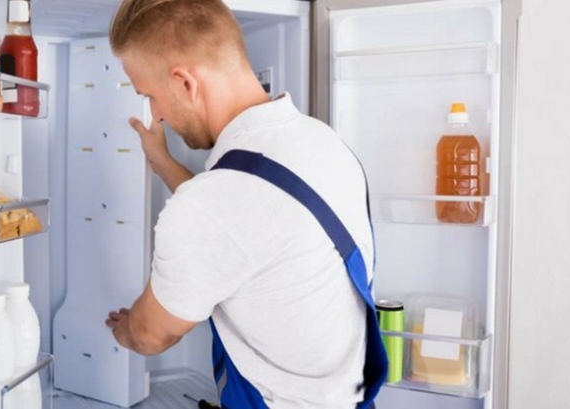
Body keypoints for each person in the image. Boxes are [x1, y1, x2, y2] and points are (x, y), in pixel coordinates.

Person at [104, 0, 387, 408]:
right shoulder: (323, 142)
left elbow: (151, 335)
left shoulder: (213, 206)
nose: (156, 115)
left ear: (184, 83)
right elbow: (240, 227)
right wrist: (163, 162)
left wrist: (124, 328)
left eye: (150, 95)